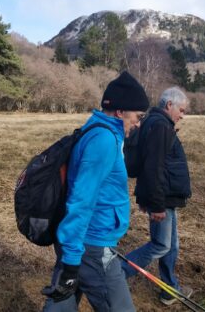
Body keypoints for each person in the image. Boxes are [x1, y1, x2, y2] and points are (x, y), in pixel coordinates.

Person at [42, 71, 149, 312]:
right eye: (138, 116)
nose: (139, 122)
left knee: (61, 305)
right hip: (91, 245)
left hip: (82, 240)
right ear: (121, 112)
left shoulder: (99, 130)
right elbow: (82, 200)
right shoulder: (103, 140)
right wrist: (71, 260)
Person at [121, 86, 192, 306]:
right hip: (163, 198)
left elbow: (149, 163)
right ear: (169, 105)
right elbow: (153, 168)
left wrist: (147, 198)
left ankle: (170, 289)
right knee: (161, 245)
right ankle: (115, 275)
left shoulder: (156, 123)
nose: (183, 115)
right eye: (181, 110)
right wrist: (156, 204)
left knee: (172, 246)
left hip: (165, 196)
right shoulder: (160, 126)